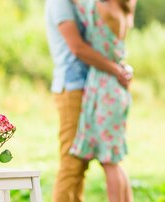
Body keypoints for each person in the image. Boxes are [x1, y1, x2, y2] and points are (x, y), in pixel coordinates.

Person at [44, 0, 132, 201]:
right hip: (74, 86)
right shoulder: (60, 3)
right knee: (73, 162)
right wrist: (117, 70)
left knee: (88, 162)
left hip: (96, 87)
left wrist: (120, 68)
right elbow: (77, 47)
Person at [68, 0, 136, 201]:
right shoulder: (124, 10)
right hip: (117, 87)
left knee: (109, 162)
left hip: (106, 88)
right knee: (114, 160)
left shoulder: (103, 9)